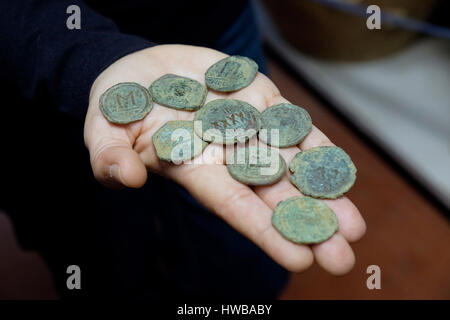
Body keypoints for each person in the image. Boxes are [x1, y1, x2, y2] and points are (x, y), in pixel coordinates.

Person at [0, 0, 366, 299]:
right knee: (101, 254)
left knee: (244, 267)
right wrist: (84, 53)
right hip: (38, 59)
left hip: (213, 31)